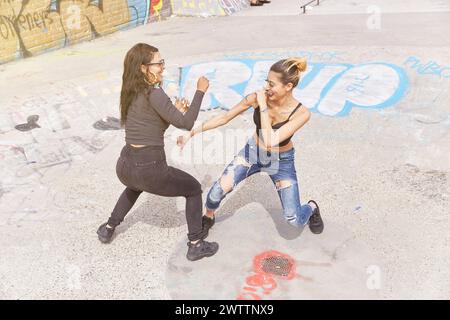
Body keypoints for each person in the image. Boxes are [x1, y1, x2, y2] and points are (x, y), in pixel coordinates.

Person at [97, 43, 219, 261]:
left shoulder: (130, 91)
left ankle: (108, 227)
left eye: (163, 62)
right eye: (158, 63)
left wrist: (173, 113)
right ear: (144, 68)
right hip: (149, 169)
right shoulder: (155, 93)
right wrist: (200, 91)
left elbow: (153, 127)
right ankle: (195, 243)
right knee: (193, 189)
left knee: (134, 187)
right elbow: (187, 123)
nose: (163, 67)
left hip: (125, 165)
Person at [177, 57, 324, 236]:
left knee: (294, 220)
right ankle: (209, 217)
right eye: (266, 82)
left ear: (288, 87)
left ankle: (311, 207)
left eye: (272, 84)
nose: (266, 88)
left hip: (281, 162)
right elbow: (224, 117)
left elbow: (271, 140)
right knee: (214, 194)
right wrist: (191, 133)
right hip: (252, 153)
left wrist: (263, 105)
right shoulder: (256, 98)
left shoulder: (301, 114)